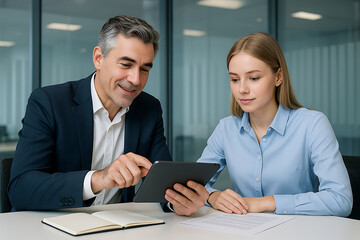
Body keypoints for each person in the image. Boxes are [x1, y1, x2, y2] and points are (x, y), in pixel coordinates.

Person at [9, 15, 208, 216]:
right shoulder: (49, 102)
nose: (135, 79)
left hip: (119, 226)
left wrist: (180, 201)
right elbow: (20, 188)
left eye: (144, 68)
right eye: (125, 64)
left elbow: (163, 184)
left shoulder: (149, 108)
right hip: (52, 224)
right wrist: (99, 179)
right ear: (98, 58)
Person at [197, 32, 353, 217]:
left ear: (278, 77)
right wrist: (213, 197)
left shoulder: (312, 125)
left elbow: (340, 200)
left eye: (254, 78)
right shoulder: (226, 128)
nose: (242, 89)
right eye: (235, 79)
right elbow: (194, 185)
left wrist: (266, 203)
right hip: (244, 230)